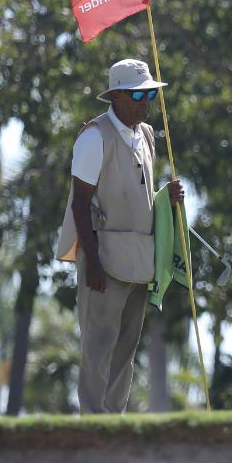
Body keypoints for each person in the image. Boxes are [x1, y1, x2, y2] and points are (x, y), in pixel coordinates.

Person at [54, 58, 183, 414]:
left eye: (149, 95)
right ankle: (92, 423)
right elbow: (80, 204)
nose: (145, 102)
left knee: (126, 350)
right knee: (98, 348)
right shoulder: (95, 137)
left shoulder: (145, 135)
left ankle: (114, 424)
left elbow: (141, 195)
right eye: (138, 94)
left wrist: (165, 199)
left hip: (140, 257)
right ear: (116, 96)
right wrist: (92, 261)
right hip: (104, 259)